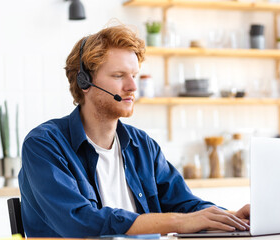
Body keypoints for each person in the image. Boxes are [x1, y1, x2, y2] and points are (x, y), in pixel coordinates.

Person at [18, 24, 250, 238]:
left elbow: (185, 204)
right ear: (84, 82)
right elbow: (80, 223)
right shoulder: (44, 144)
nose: (133, 87)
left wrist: (231, 217)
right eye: (119, 76)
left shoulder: (142, 145)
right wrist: (178, 222)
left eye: (134, 76)